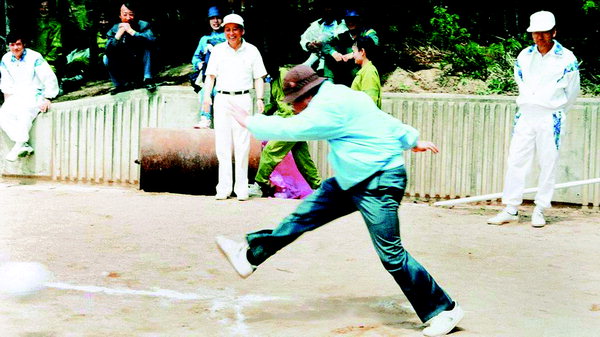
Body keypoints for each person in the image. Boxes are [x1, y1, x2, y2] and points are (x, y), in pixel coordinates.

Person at [216, 65, 464, 337]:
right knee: (302, 217)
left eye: (293, 102)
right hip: (351, 178)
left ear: (306, 96)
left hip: (378, 182)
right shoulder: (345, 95)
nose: (293, 108)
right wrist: (411, 139)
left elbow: (297, 128)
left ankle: (444, 310)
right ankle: (251, 256)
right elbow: (384, 121)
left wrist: (251, 122)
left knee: (391, 255)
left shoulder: (328, 109)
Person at [487, 10, 580, 228]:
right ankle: (511, 208)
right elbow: (520, 82)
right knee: (516, 160)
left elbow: (572, 93)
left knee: (548, 162)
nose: (540, 37)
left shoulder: (567, 58)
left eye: (545, 33)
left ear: (554, 32)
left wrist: (554, 109)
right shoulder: (524, 56)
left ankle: (540, 209)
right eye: (536, 33)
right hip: (526, 116)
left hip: (550, 116)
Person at [202, 13, 267, 201]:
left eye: (235, 29)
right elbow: (210, 76)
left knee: (242, 144)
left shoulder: (252, 51)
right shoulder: (218, 51)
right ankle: (223, 187)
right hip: (222, 98)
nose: (231, 33)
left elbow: (258, 77)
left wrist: (260, 98)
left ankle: (241, 188)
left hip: (243, 98)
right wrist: (207, 96)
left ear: (242, 31)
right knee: (222, 145)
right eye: (227, 29)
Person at [248, 65, 322, 198]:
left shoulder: (284, 74)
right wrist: (264, 111)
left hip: (291, 121)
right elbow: (278, 103)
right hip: (293, 121)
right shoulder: (275, 78)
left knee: (270, 151)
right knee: (302, 157)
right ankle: (318, 188)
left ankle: (260, 184)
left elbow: (294, 100)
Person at [0, 32, 59, 162]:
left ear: (23, 44)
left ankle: (18, 147)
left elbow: (48, 77)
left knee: (24, 112)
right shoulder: (5, 59)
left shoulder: (34, 57)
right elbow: (6, 82)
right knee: (2, 115)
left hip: (35, 93)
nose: (15, 48)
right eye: (12, 45)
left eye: (18, 44)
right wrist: (8, 103)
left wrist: (48, 97)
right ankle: (23, 145)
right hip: (17, 94)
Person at [104, 2, 156, 94]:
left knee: (147, 46)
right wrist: (118, 35)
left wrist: (131, 31)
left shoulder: (144, 25)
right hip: (125, 63)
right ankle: (119, 85)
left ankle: (148, 79)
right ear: (120, 16)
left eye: (131, 14)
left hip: (141, 62)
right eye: (125, 15)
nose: (128, 18)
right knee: (105, 58)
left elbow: (151, 39)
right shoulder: (114, 29)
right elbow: (108, 50)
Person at [323, 9, 379, 86]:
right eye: (348, 20)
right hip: (347, 69)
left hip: (362, 68)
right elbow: (325, 44)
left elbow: (373, 44)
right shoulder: (343, 36)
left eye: (353, 20)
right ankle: (329, 83)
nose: (350, 22)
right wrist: (334, 53)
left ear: (359, 20)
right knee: (329, 53)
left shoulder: (367, 32)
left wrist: (353, 54)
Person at [191, 6, 226, 129]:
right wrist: (199, 63)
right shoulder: (204, 39)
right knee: (204, 91)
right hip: (208, 74)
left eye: (218, 18)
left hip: (225, 74)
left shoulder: (229, 36)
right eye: (212, 18)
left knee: (218, 92)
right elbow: (195, 57)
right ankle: (205, 118)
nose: (215, 21)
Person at [299, 2, 347, 80]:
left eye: (330, 9)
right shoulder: (317, 24)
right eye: (326, 9)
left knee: (324, 38)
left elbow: (342, 38)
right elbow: (304, 38)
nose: (328, 11)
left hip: (333, 56)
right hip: (317, 53)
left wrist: (323, 43)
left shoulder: (341, 24)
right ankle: (313, 66)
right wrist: (308, 45)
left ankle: (319, 67)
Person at [31, 0, 63, 76]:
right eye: (41, 7)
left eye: (46, 7)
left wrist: (45, 60)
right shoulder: (32, 23)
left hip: (46, 62)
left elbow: (56, 47)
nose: (44, 10)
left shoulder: (55, 25)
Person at [350, 36, 381, 108]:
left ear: (362, 52)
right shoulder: (365, 71)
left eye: (354, 52)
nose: (353, 55)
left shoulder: (369, 72)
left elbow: (370, 104)